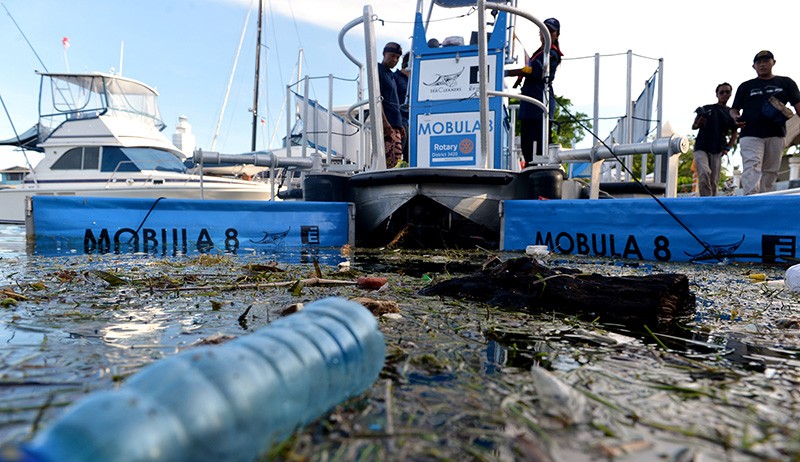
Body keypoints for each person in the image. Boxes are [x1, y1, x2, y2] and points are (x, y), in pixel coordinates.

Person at [730, 50, 800, 195]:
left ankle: (766, 199)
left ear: (773, 62)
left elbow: (797, 104)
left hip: (776, 133)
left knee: (771, 170)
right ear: (753, 66)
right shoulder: (746, 86)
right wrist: (736, 118)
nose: (762, 65)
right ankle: (751, 198)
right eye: (759, 62)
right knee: (752, 165)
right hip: (750, 133)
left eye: (766, 61)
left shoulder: (786, 82)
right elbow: (734, 109)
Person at [507, 17, 563, 166]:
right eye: (543, 31)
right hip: (530, 100)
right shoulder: (539, 52)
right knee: (527, 142)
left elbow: (538, 72)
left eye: (550, 31)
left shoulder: (552, 53)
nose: (545, 34)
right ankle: (530, 169)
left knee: (540, 141)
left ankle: (543, 171)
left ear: (556, 34)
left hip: (540, 99)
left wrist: (514, 71)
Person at [691, 83, 739, 196]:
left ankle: (712, 201)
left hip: (717, 148)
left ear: (730, 94)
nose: (724, 94)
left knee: (714, 179)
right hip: (701, 146)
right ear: (717, 94)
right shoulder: (707, 108)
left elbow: (734, 132)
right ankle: (706, 200)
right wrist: (699, 122)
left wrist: (728, 147)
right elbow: (694, 126)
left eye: (727, 92)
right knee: (704, 172)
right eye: (721, 92)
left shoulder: (731, 113)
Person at [378, 42, 405, 169]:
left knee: (397, 157)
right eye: (392, 56)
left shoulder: (391, 75)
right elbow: (377, 99)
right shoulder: (378, 71)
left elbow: (395, 102)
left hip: (395, 124)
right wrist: (384, 122)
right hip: (387, 124)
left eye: (397, 58)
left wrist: (400, 125)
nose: (394, 60)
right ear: (384, 54)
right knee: (390, 160)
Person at [394, 52, 411, 164]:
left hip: (410, 121)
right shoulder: (395, 78)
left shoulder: (410, 81)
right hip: (400, 120)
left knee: (409, 156)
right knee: (397, 155)